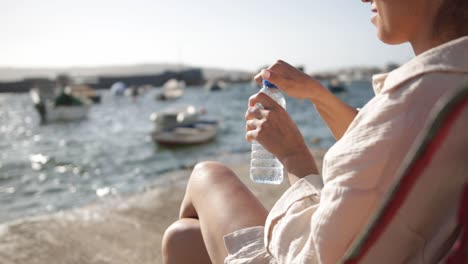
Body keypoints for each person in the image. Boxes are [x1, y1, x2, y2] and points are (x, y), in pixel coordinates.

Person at [162, 0, 468, 263]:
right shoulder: (450, 91)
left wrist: (292, 155)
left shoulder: (417, 97)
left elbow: (311, 254)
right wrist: (316, 94)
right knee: (182, 238)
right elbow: (396, 152)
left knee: (207, 174)